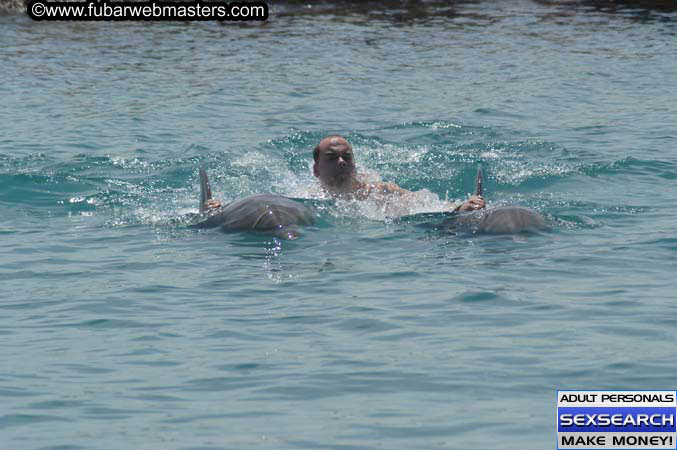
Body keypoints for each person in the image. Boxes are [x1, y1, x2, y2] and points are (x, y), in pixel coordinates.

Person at [312, 135, 485, 212]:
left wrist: (460, 208)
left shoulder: (378, 192)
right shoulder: (310, 199)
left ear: (355, 165)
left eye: (347, 157)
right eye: (331, 157)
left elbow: (424, 203)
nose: (341, 161)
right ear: (316, 170)